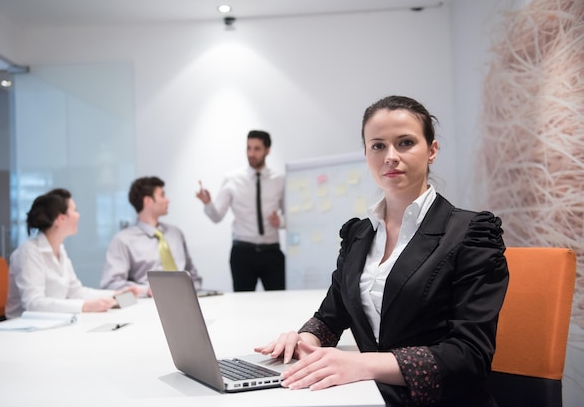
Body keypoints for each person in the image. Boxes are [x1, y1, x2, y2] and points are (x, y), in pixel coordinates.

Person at [254, 96, 509, 406]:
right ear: (366, 153)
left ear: (431, 150)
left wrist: (360, 364)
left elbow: (470, 356)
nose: (390, 156)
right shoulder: (359, 234)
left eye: (405, 142)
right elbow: (330, 317)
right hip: (371, 395)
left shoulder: (471, 234)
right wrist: (302, 341)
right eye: (377, 146)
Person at [6, 188, 139, 319]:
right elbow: (33, 304)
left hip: (53, 322)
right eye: (74, 210)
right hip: (24, 329)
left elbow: (76, 291)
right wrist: (85, 306)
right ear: (61, 219)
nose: (78, 215)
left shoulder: (60, 249)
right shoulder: (29, 252)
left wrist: (115, 294)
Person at [196, 130, 285, 292]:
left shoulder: (279, 180)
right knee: (243, 305)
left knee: (278, 301)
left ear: (267, 150)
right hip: (242, 253)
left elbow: (290, 216)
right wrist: (208, 203)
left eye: (257, 148)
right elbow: (217, 217)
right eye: (248, 148)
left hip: (271, 252)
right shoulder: (232, 179)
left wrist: (281, 222)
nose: (251, 153)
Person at [101, 176, 201, 296]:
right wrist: (146, 291)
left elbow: (192, 274)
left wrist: (194, 290)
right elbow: (111, 284)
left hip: (186, 301)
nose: (167, 200)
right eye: (162, 195)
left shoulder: (176, 234)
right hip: (147, 305)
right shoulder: (123, 240)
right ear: (148, 201)